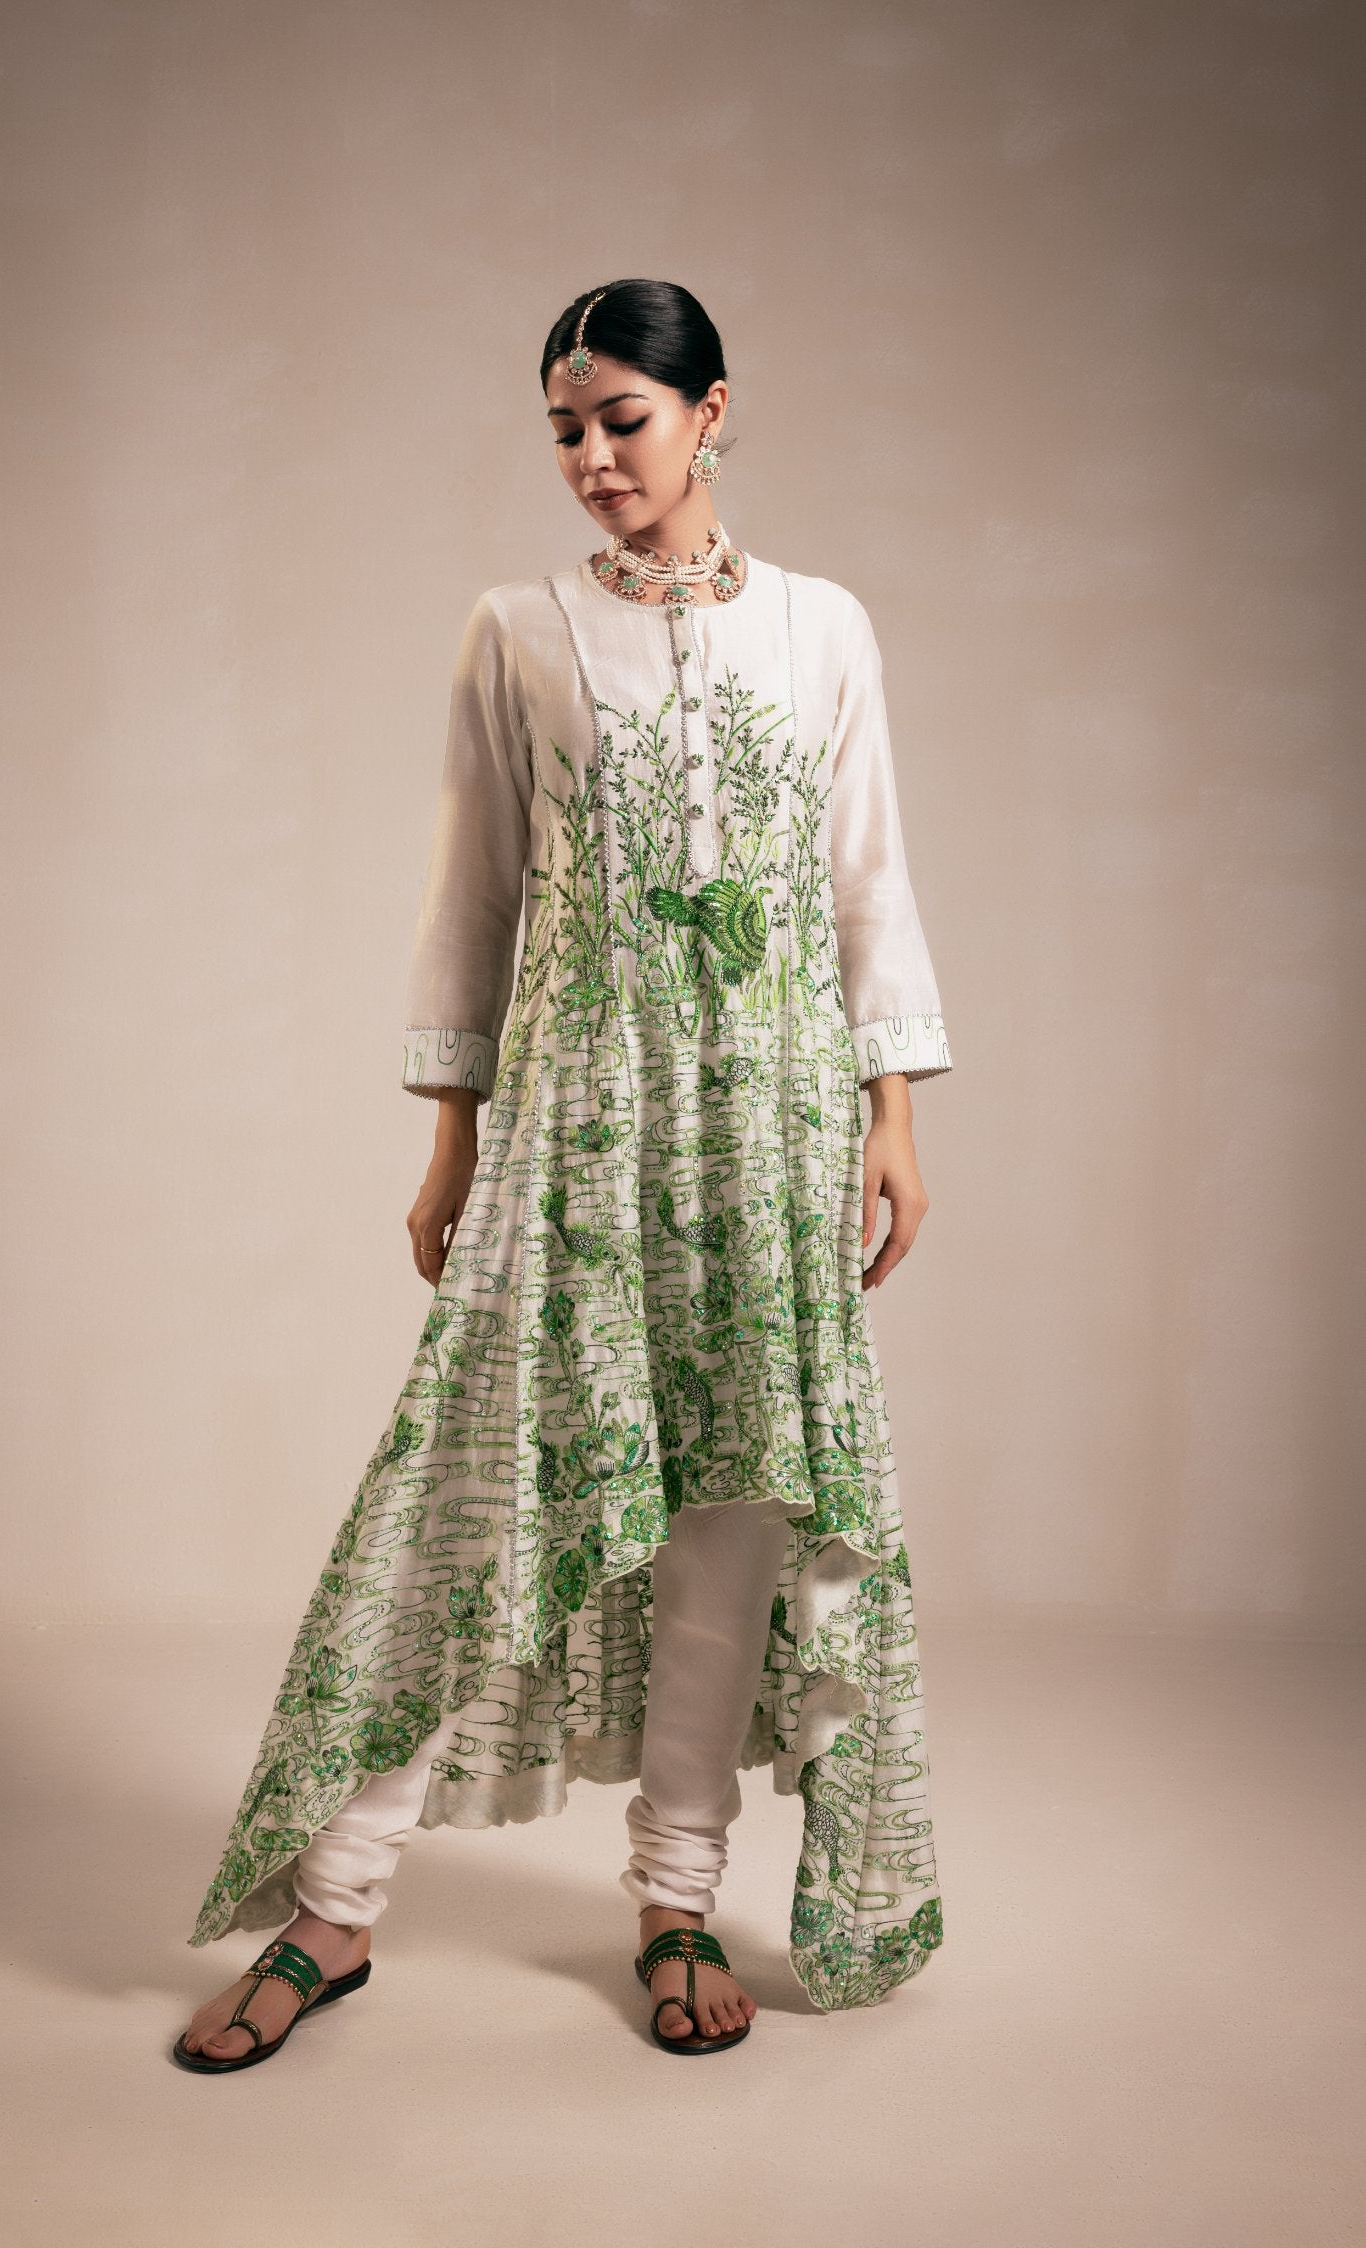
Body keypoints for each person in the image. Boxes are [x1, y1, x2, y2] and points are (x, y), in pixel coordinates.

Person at [175, 277, 952, 2072]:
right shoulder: (516, 632)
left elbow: (869, 877)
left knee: (731, 1512)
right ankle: (334, 1907)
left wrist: (894, 1115)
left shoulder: (825, 628)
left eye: (624, 420)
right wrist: (451, 1136)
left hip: (771, 1127)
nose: (594, 458)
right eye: (566, 431)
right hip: (578, 1119)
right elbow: (474, 895)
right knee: (477, 1493)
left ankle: (678, 1898)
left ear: (711, 412)